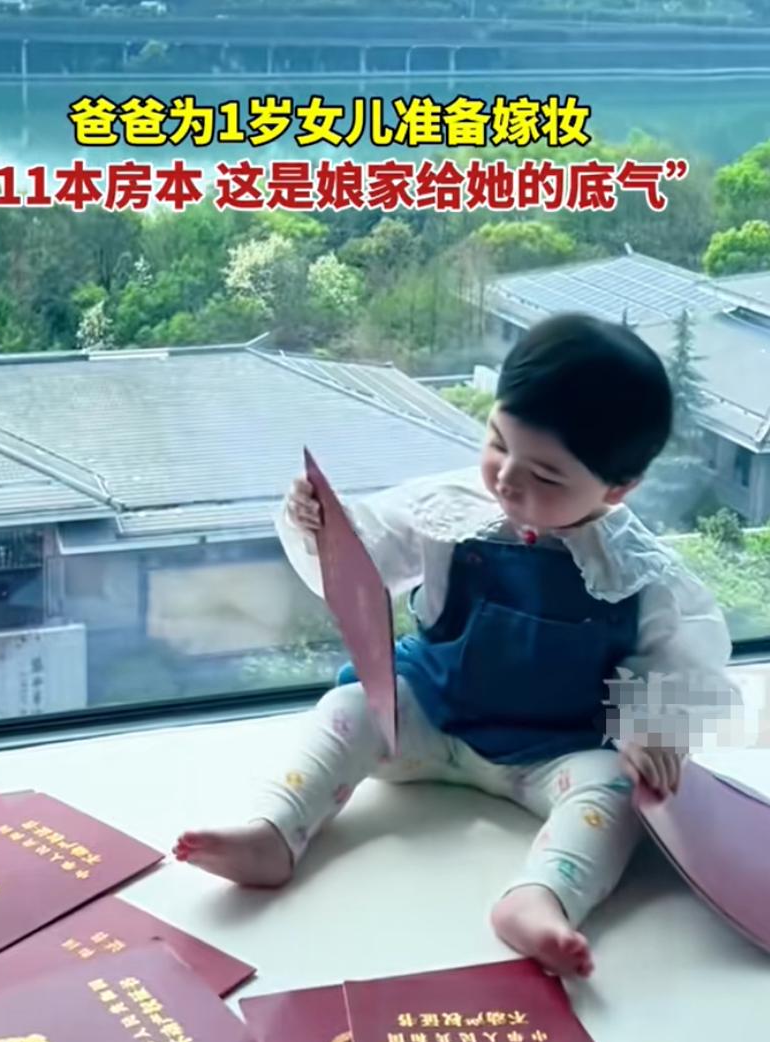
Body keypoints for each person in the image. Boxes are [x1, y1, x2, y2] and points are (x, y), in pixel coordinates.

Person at [176, 313, 741, 978]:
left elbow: (680, 654)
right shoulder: (451, 506)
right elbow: (366, 554)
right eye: (498, 443)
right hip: (428, 712)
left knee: (619, 793)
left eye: (546, 476)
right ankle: (274, 830)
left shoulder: (639, 570)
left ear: (618, 489)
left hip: (554, 751)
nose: (507, 479)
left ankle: (542, 896)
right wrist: (322, 524)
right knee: (347, 710)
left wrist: (654, 731)